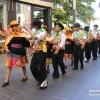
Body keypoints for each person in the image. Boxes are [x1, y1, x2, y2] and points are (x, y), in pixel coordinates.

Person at [2, 20, 30, 87]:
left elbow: (26, 42)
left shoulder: (22, 34)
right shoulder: (10, 35)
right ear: (12, 27)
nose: (16, 26)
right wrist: (6, 48)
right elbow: (7, 42)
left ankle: (25, 76)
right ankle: (6, 80)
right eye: (15, 26)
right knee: (9, 66)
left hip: (20, 51)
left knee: (23, 65)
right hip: (11, 51)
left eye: (17, 25)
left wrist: (27, 34)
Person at [24, 20, 48, 89]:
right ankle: (41, 79)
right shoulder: (34, 30)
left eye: (34, 25)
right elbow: (29, 37)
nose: (33, 27)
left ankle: (44, 83)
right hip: (35, 51)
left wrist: (28, 30)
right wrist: (28, 39)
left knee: (42, 67)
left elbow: (35, 37)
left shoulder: (43, 31)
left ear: (37, 26)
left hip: (42, 51)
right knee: (32, 67)